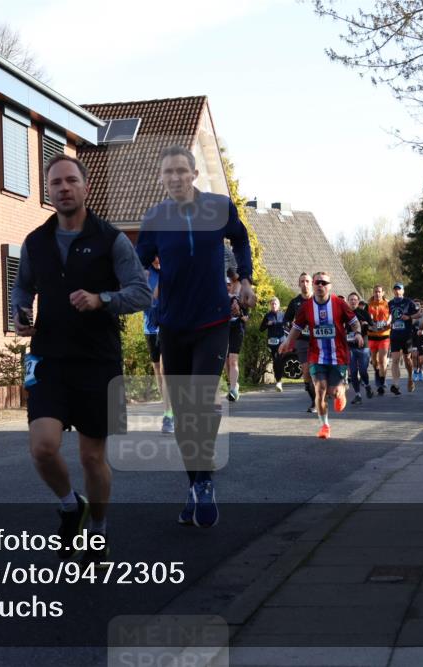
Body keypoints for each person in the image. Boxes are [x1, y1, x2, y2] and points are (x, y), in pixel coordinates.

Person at [12, 154, 150, 564]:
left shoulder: (111, 240)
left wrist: (101, 299)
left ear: (86, 187)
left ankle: (98, 530)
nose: (64, 188)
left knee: (92, 457)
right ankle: (71, 505)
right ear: (48, 191)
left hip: (97, 361)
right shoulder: (35, 242)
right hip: (48, 359)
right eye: (56, 183)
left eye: (71, 180)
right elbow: (22, 288)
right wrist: (20, 313)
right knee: (42, 447)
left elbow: (141, 293)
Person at [136, 144, 254, 529]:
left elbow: (240, 238)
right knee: (185, 414)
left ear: (194, 174)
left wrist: (245, 279)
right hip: (172, 324)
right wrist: (141, 285)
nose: (174, 177)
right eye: (167, 172)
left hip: (213, 320)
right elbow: (138, 262)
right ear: (160, 178)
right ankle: (196, 484)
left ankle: (203, 482)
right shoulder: (155, 217)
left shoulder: (218, 207)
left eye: (180, 171)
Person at [279, 272, 362, 439]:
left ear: (329, 286)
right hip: (316, 355)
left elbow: (354, 322)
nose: (320, 285)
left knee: (333, 392)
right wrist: (287, 342)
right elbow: (296, 327)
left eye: (324, 283)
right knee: (320, 389)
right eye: (317, 282)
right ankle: (324, 425)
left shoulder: (339, 303)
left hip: (338, 355)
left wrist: (358, 333)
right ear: (313, 285)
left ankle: (340, 392)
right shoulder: (306, 307)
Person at [144, 257, 173, 433]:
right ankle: (168, 404)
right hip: (149, 326)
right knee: (157, 369)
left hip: (167, 325)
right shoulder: (145, 271)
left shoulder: (170, 268)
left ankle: (168, 413)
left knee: (164, 369)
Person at [283, 273, 317, 411]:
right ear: (299, 284)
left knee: (318, 370)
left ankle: (323, 392)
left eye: (307, 281)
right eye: (302, 281)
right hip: (302, 340)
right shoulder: (295, 302)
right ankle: (315, 401)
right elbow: (286, 320)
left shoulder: (318, 299)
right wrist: (290, 328)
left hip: (319, 340)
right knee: (307, 372)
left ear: (312, 283)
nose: (305, 284)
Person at [387, 282, 419, 395]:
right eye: (395, 289)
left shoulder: (409, 302)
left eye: (399, 289)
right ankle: (396, 384)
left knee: (407, 360)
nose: (397, 291)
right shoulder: (390, 303)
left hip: (407, 336)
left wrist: (409, 317)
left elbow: (418, 314)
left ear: (403, 291)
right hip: (395, 335)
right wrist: (387, 322)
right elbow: (388, 316)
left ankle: (410, 378)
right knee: (395, 360)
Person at [346, 293, 373, 404]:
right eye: (351, 300)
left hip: (363, 346)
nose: (353, 301)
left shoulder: (363, 313)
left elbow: (373, 327)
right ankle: (358, 395)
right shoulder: (344, 313)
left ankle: (367, 385)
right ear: (348, 301)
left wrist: (367, 324)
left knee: (362, 371)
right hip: (350, 346)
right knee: (353, 372)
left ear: (358, 301)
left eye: (355, 300)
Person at [225, 270, 248, 401]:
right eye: (226, 284)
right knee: (226, 361)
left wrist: (240, 314)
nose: (228, 287)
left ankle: (234, 389)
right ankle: (232, 384)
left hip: (237, 329)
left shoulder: (241, 298)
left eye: (229, 284)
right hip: (224, 330)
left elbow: (246, 317)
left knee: (233, 360)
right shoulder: (220, 298)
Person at [366, 285, 391, 396]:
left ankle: (381, 383)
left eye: (379, 292)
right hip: (372, 336)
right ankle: (378, 373)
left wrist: (388, 322)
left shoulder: (387, 304)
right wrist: (369, 324)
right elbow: (365, 318)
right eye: (375, 291)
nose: (377, 293)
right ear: (373, 292)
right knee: (375, 361)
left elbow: (391, 315)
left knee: (382, 360)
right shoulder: (368, 304)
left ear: (383, 292)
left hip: (384, 335)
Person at [260, 297, 287, 392]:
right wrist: (267, 324)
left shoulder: (283, 315)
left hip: (282, 341)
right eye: (272, 304)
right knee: (275, 361)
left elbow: (289, 325)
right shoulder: (268, 316)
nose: (274, 305)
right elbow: (261, 328)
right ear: (270, 305)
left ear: (278, 305)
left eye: (275, 304)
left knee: (279, 360)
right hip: (272, 342)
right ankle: (278, 381)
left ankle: (279, 381)